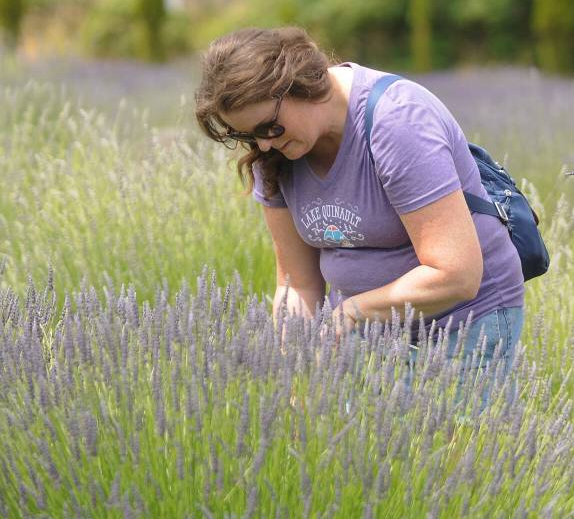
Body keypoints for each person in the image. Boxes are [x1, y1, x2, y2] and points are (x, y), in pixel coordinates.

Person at [194, 26, 525, 365]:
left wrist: (352, 311)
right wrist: (294, 363)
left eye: (268, 127)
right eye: (246, 135)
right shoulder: (273, 155)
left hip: (463, 325)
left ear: (299, 86)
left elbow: (456, 275)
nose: (263, 144)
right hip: (366, 333)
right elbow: (298, 285)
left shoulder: (397, 122)